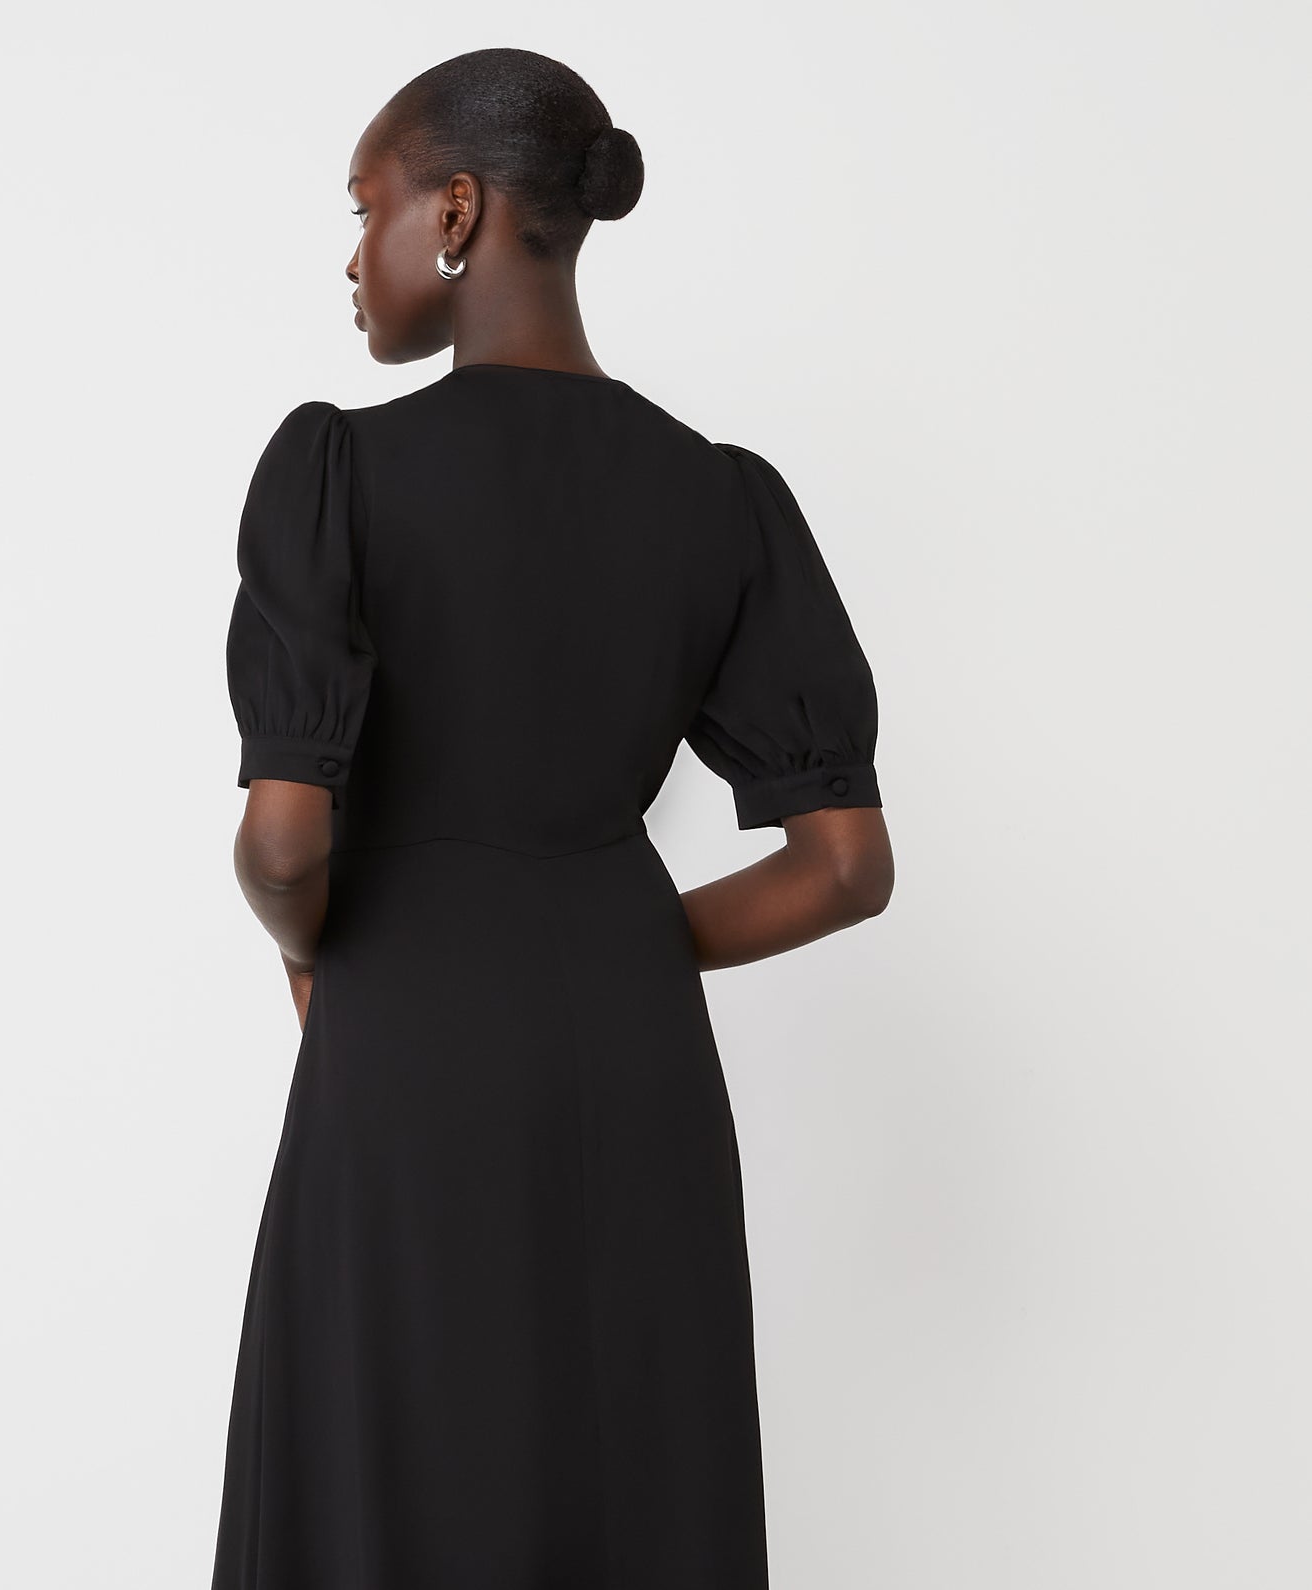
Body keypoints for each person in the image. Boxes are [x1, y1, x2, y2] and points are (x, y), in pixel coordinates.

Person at [212, 45, 895, 1590]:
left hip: (406, 1047)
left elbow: (281, 841)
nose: (351, 251)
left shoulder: (340, 472)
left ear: (454, 212)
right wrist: (612, 934)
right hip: (630, 1057)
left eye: (366, 205)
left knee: (382, 1467)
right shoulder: (716, 495)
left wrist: (313, 944)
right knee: (623, 1463)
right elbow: (845, 866)